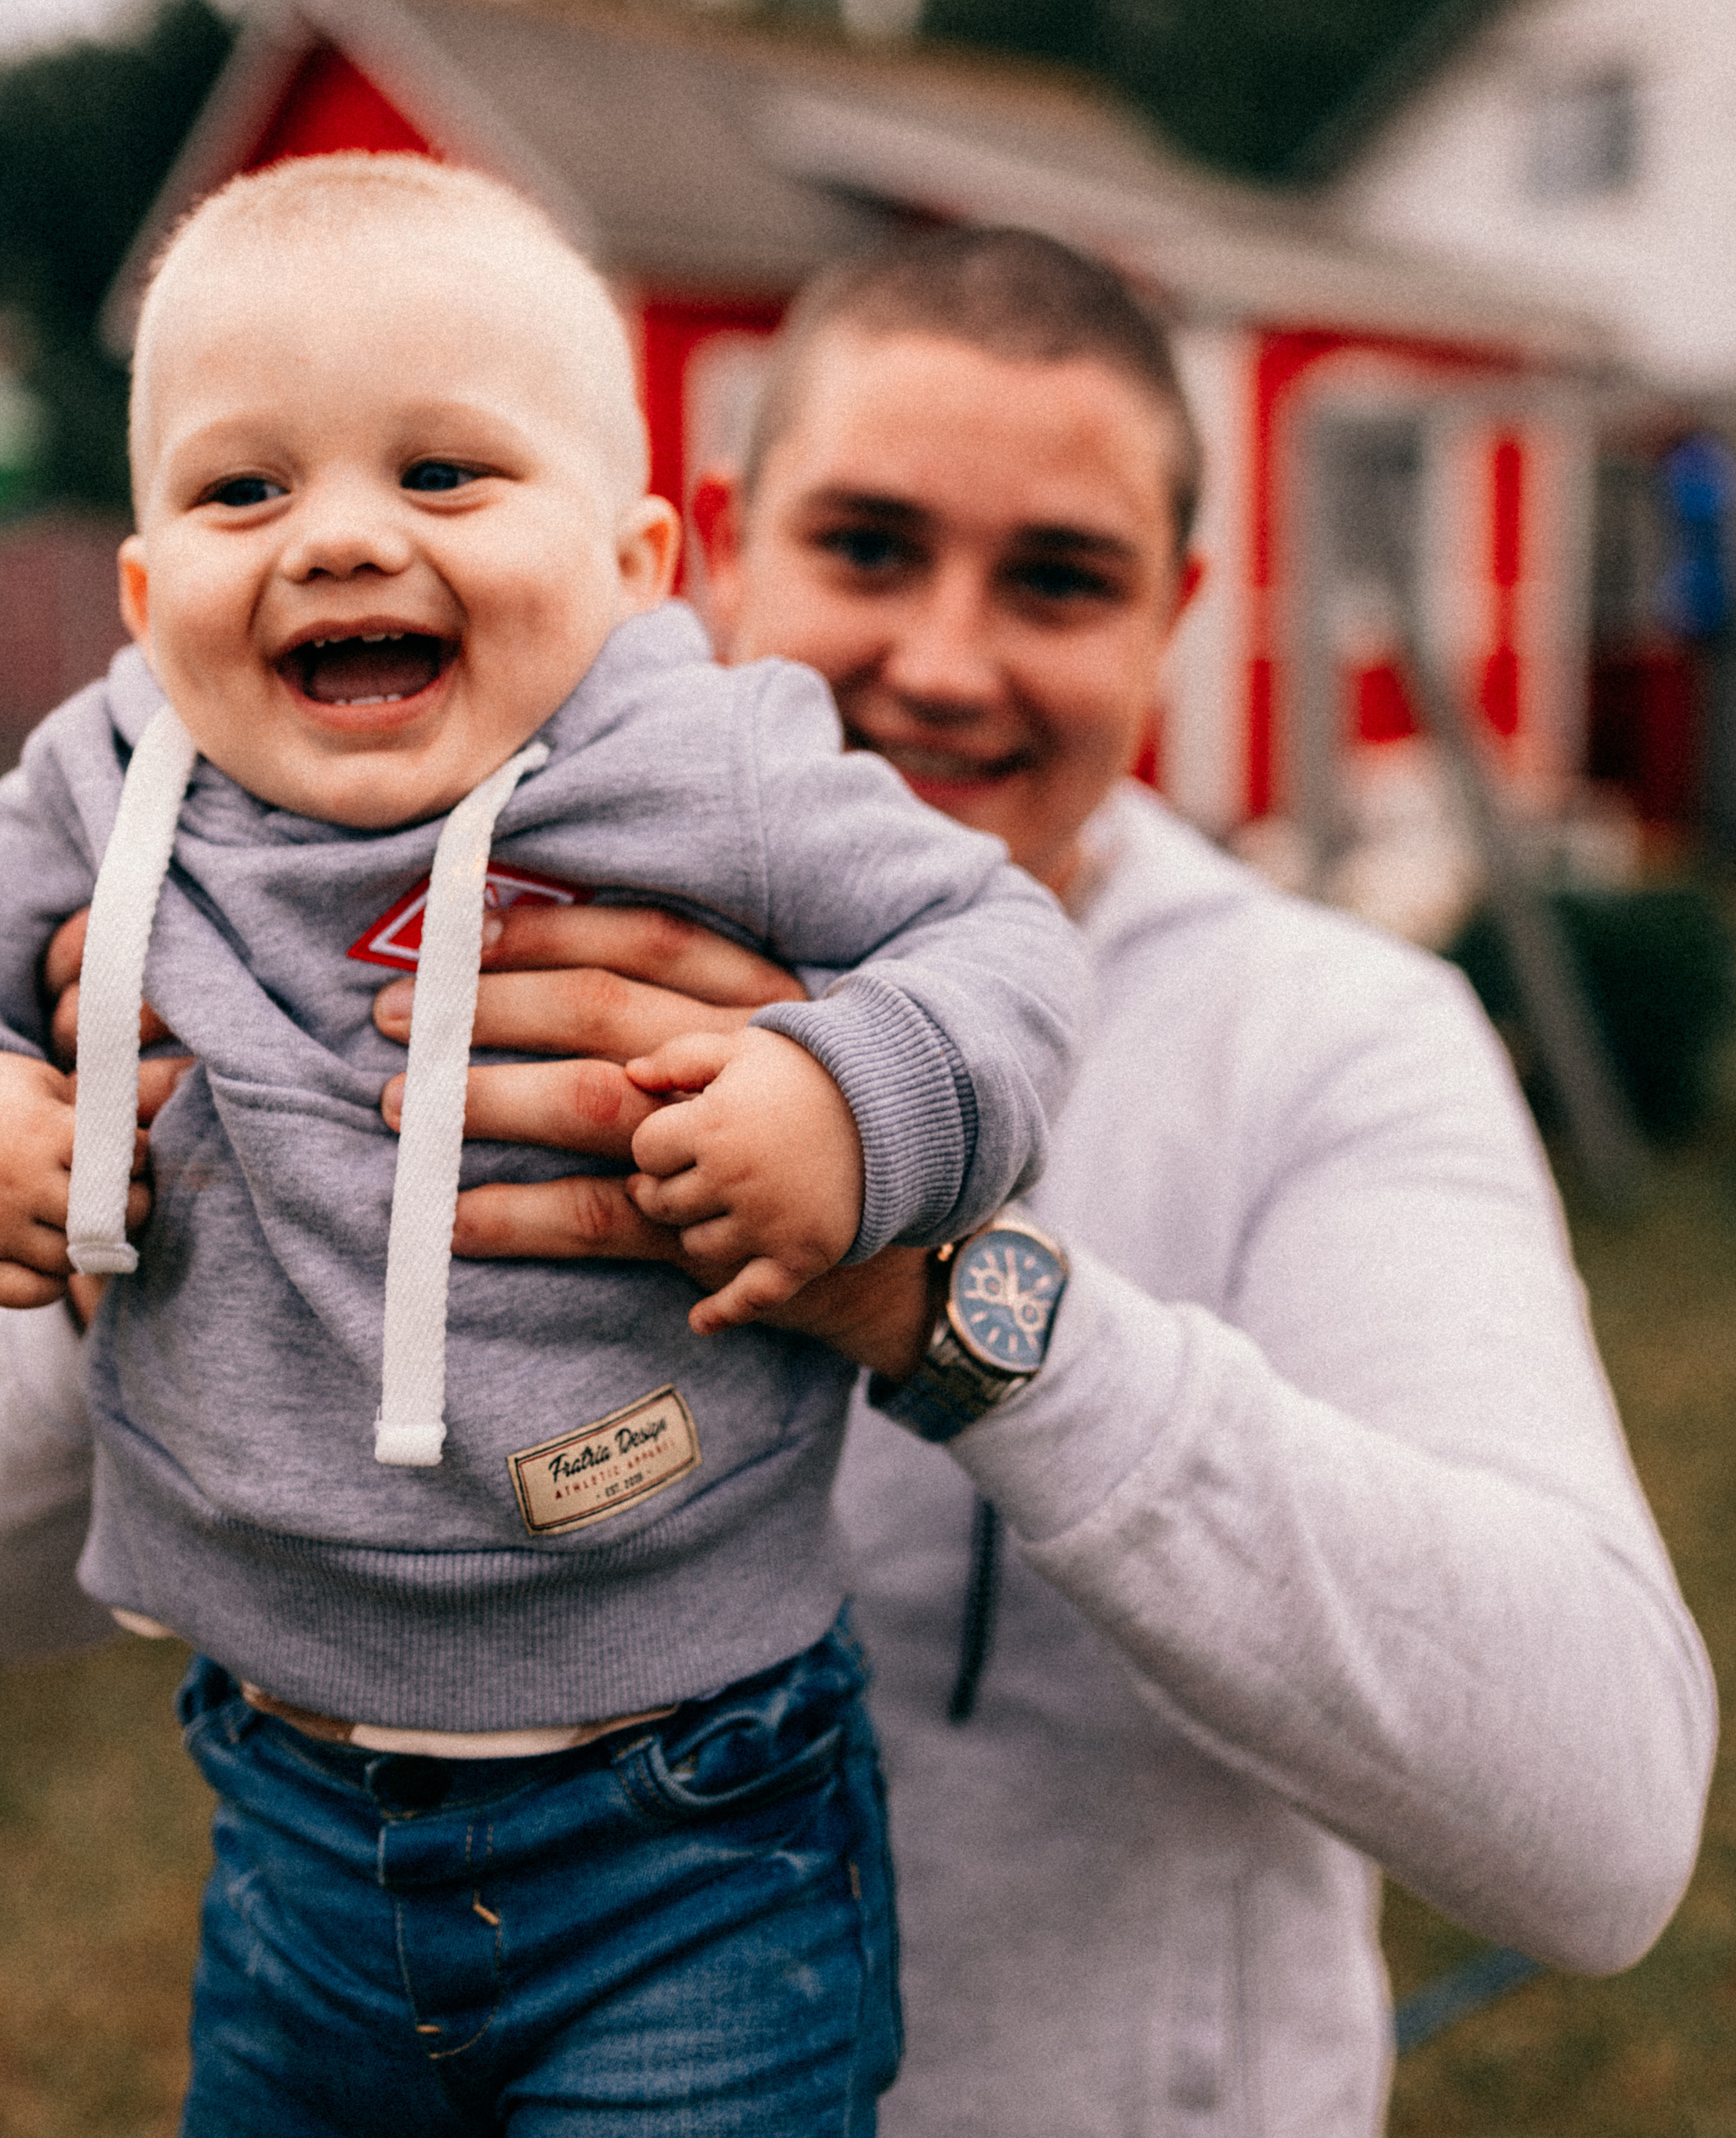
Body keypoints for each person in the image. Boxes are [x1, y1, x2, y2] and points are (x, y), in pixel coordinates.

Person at [7, 225, 1716, 2137]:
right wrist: (153, 1182)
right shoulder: (305, 894)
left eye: (1061, 582)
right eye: (870, 547)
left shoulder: (1331, 1033)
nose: (945, 657)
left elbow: (1607, 1831)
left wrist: (933, 1294)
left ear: (1179, 616)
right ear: (714, 546)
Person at [0, 162, 1090, 2137]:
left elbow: (1008, 948)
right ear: (150, 588)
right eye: (246, 490)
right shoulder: (103, 785)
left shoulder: (711, 769)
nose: (336, 540)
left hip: (698, 1827)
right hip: (287, 1813)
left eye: (441, 476)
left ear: (636, 558)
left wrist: (851, 1104)